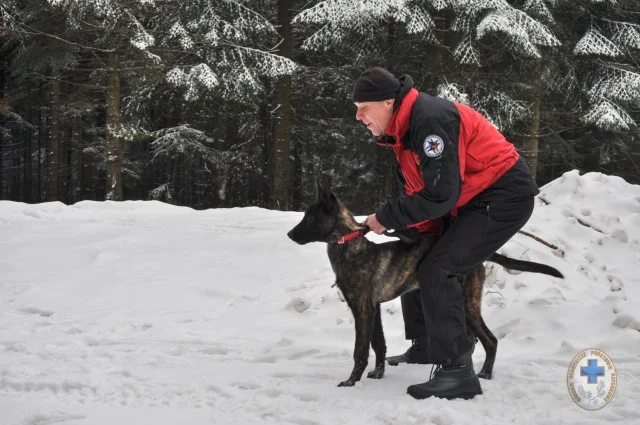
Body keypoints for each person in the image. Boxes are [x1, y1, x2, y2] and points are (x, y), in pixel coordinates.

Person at [353, 67, 540, 400]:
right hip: (471, 200)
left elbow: (442, 195)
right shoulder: (403, 131)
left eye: (363, 107)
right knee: (420, 253)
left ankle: (457, 372)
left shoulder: (430, 121)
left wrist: (388, 216)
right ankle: (426, 345)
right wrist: (414, 232)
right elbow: (423, 192)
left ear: (386, 102)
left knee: (439, 268)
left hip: (503, 196)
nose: (358, 116)